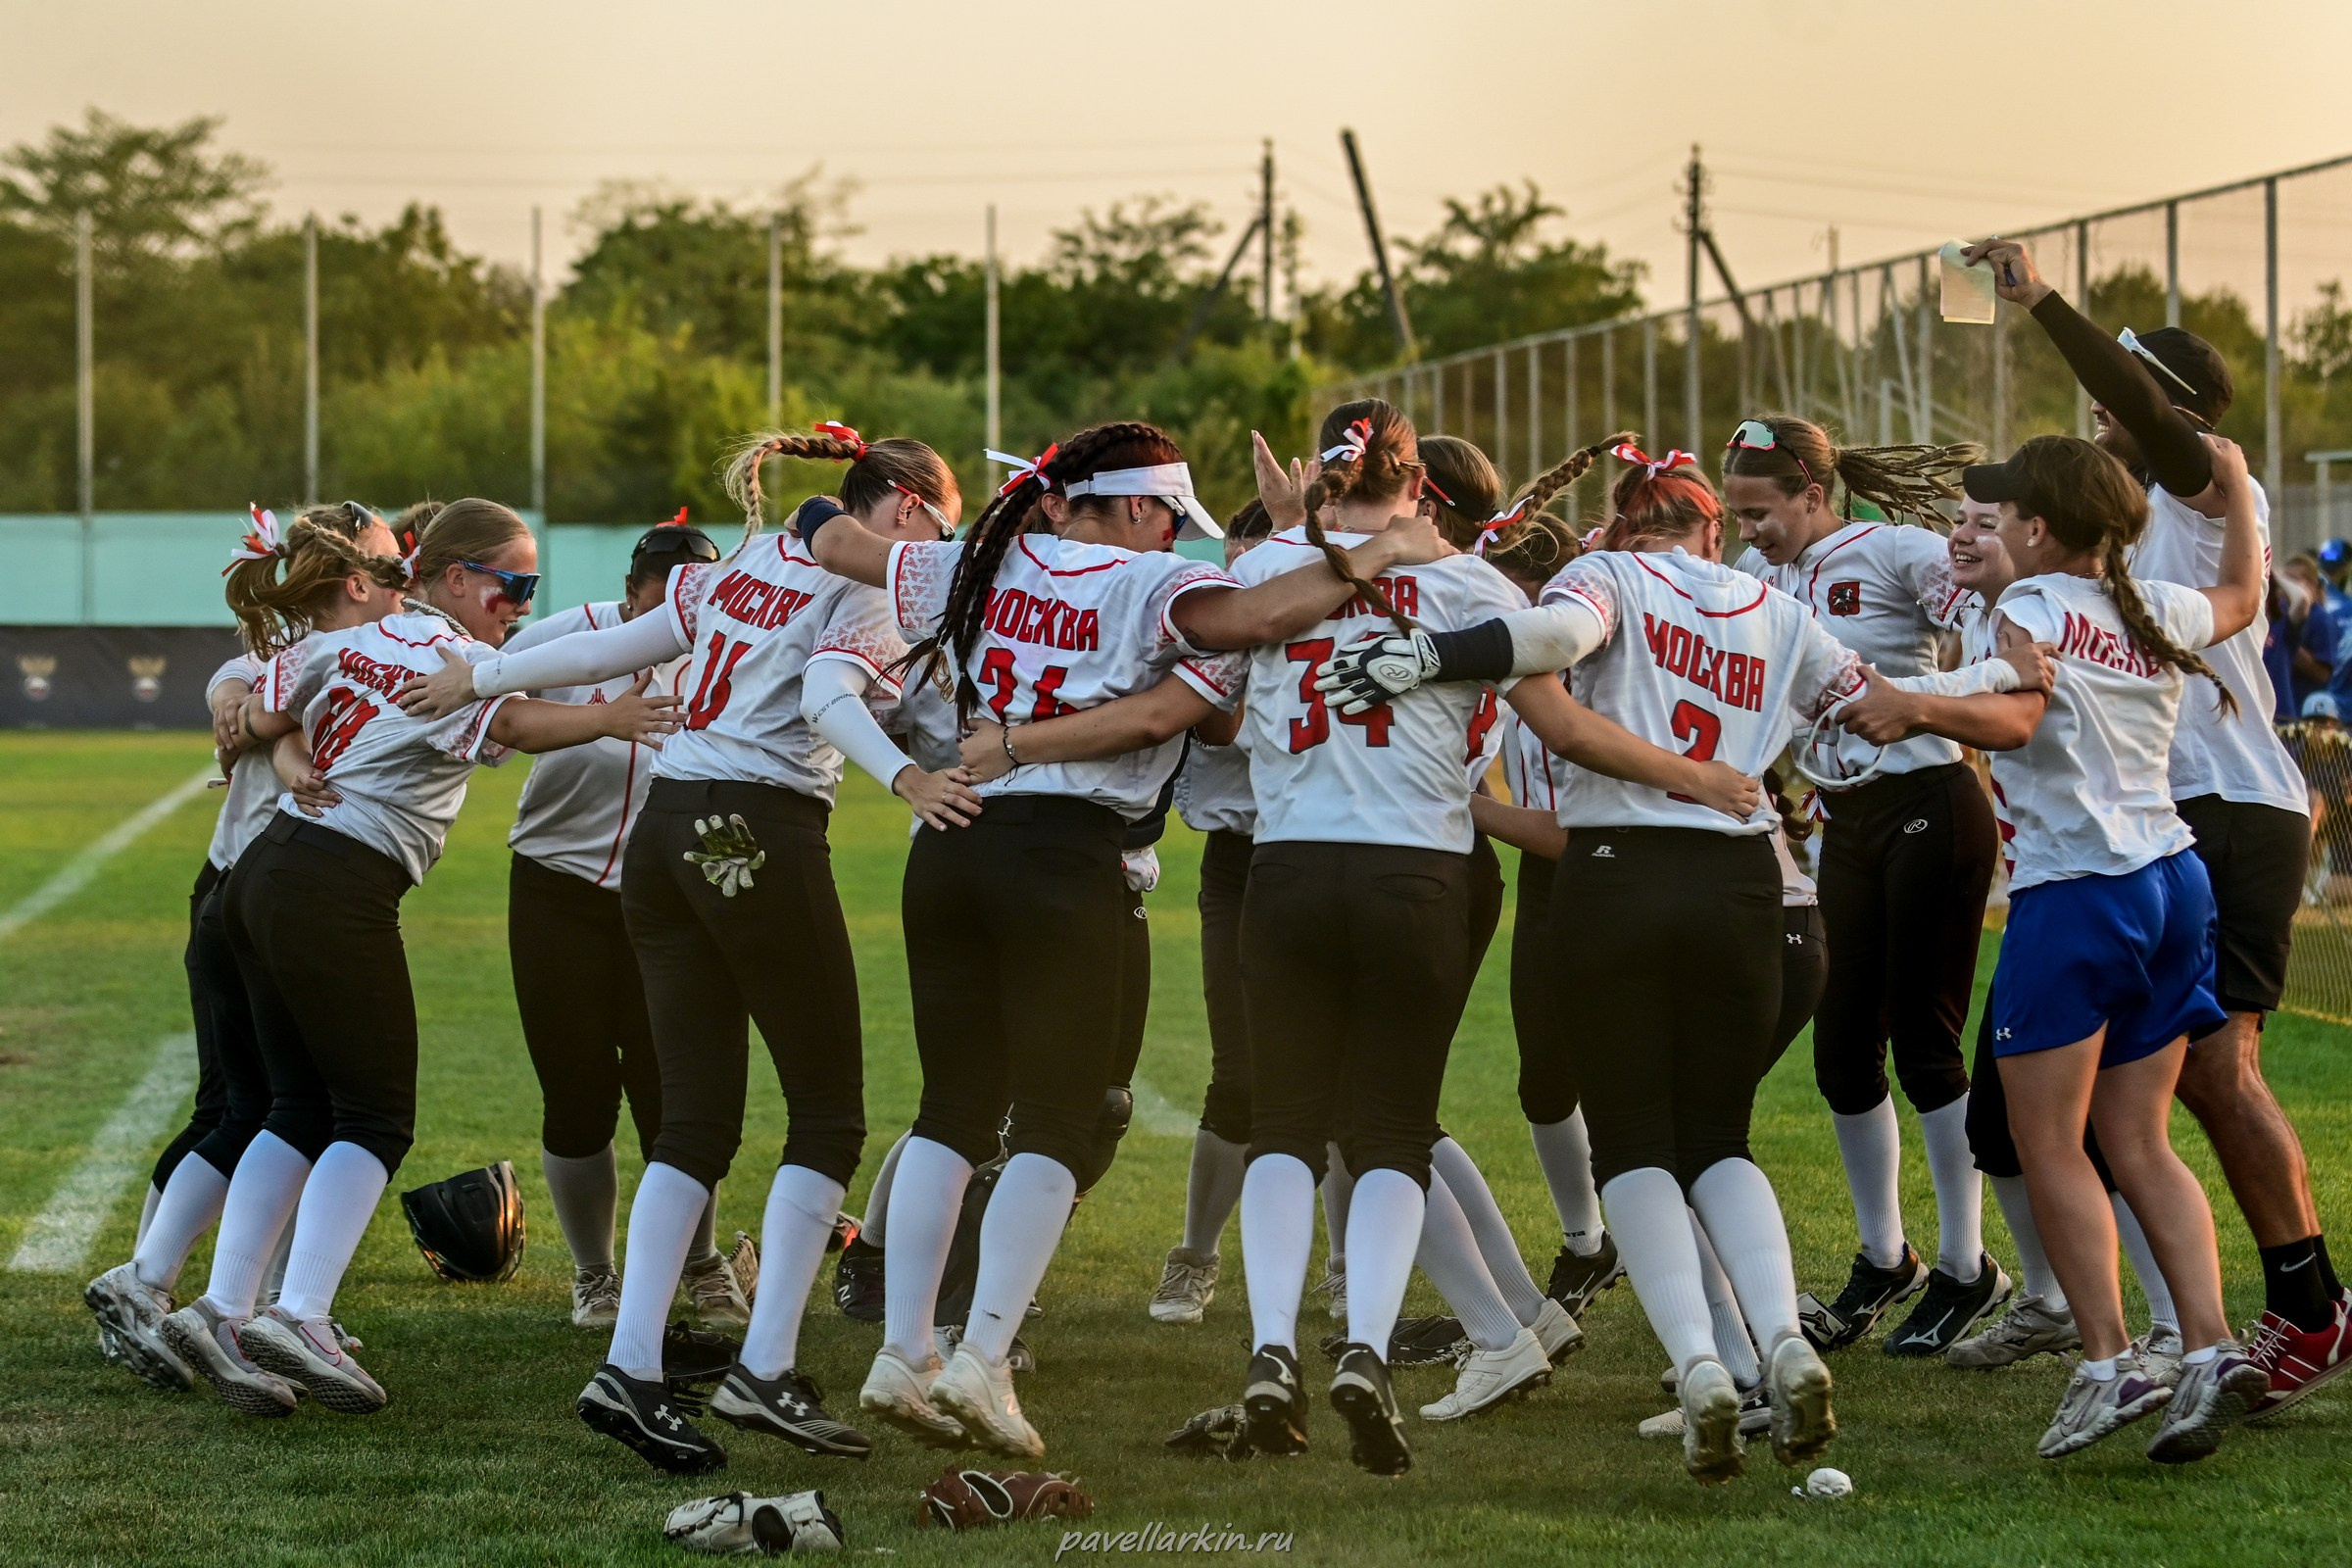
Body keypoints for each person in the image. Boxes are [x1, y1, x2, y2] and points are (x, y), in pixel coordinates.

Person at [1314, 442, 2050, 1484]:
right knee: (1719, 1135)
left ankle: (1704, 1364)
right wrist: (1998, 674)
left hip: (1616, 872)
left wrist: (1434, 655)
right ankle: (1782, 1344)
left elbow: (1556, 638)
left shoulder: (1606, 573)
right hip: (1746, 883)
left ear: (1622, 524)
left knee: (1633, 1147)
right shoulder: (1774, 604)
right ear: (1712, 528)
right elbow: (1880, 697)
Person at [801, 416, 1477, 1461]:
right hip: (1065, 856)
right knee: (1061, 1122)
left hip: (953, 844)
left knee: (952, 1109)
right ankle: (981, 1354)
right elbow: (1252, 619)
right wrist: (1378, 549)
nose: (1172, 533)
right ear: (1144, 505)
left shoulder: (989, 555)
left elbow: (840, 543)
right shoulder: (1144, 584)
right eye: (1167, 514)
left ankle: (905, 1349)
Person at [398, 425, 977, 1473]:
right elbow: (829, 697)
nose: (943, 541)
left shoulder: (744, 563)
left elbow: (606, 652)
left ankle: (630, 1365)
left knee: (696, 1116)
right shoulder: (867, 587)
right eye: (942, 517)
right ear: (900, 504)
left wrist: (483, 673)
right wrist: (905, 778)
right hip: (756, 822)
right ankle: (764, 1368)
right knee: (830, 1111)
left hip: (662, 833)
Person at [159, 499, 680, 1419]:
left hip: (258, 876)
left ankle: (224, 1308)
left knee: (296, 1105)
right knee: (376, 1118)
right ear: (449, 578)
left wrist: (270, 745)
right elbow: (516, 723)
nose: (520, 602)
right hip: (335, 884)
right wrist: (612, 716)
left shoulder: (354, 634)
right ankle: (302, 1312)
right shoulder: (453, 655)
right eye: (511, 584)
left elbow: (259, 705)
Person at [1969, 237, 2347, 1415]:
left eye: (2116, 401)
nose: (2098, 416)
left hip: (2222, 814)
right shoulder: (2153, 531)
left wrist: (2041, 302)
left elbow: (2145, 410)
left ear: (2167, 413)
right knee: (2145, 1097)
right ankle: (2165, 1328)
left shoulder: (2197, 477)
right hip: (2183, 826)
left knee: (2216, 1077)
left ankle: (2306, 1310)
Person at [1838, 432, 2270, 1462]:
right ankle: (2208, 1349)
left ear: (2039, 527)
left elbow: (2022, 718)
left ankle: (2110, 1355)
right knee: (2139, 1138)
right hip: (2175, 880)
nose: (1987, 524)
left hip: (2079, 895)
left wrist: (1912, 706)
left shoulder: (2029, 606)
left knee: (2049, 1142)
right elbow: (2245, 596)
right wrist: (2241, 486)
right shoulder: (2152, 602)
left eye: (2003, 511)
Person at [84, 504, 408, 1392]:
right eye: (393, 567)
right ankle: (159, 1286)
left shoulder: (324, 655)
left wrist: (280, 734)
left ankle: (204, 1293)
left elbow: (258, 707)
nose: (403, 581)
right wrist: (283, 740)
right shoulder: (288, 660)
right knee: (258, 1108)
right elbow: (248, 706)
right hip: (255, 894)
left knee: (265, 1108)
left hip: (258, 895)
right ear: (350, 576)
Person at [1721, 414, 2010, 1359]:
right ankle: (1887, 1259)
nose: (1749, 530)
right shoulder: (1757, 581)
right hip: (1846, 825)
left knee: (1927, 1044)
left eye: (1762, 510)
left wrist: (1965, 685)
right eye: (1737, 514)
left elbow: (1989, 616)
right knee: (1843, 1051)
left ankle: (1969, 1269)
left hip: (1930, 800)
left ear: (1815, 491)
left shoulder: (1891, 549)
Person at [498, 512, 758, 1332]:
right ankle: (595, 1274)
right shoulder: (566, 640)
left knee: (676, 1095)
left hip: (676, 903)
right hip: (557, 888)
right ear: (630, 594)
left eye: (696, 595)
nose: (680, 611)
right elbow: (477, 695)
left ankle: (702, 1262)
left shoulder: (729, 657)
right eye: (662, 598)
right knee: (576, 1094)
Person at [1148, 498, 1275, 1327]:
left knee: (1335, 1078)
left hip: (1321, 848)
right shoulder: (1203, 625)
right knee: (1239, 1071)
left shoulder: (1324, 624)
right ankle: (1195, 1255)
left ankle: (1339, 1264)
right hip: (1238, 859)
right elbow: (1216, 731)